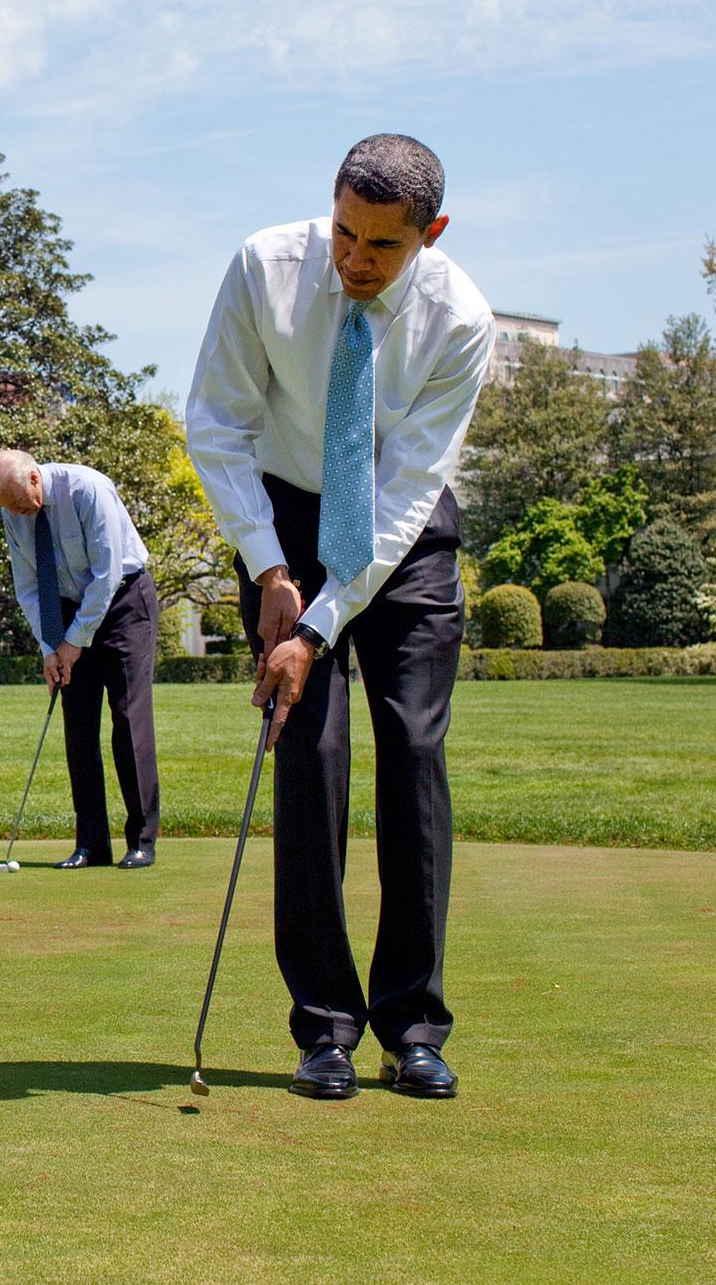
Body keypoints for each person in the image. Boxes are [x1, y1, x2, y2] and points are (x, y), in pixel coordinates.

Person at [185, 134, 493, 1101]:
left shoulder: (461, 320)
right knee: (307, 755)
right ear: (331, 204)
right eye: (346, 235)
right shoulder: (264, 266)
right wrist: (269, 564)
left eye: (382, 248)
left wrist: (319, 625)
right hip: (280, 512)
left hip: (402, 538)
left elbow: (402, 499)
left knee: (411, 753)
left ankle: (414, 1027)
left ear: (429, 235)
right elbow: (217, 425)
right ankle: (324, 1027)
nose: (355, 260)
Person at [0, 449, 161, 870]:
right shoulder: (14, 509)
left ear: (34, 479)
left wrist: (73, 642)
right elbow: (28, 586)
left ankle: (143, 840)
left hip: (122, 605)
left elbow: (107, 573)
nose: (16, 512)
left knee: (128, 719)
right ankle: (92, 844)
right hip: (64, 609)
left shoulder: (88, 489)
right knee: (78, 727)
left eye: (18, 501)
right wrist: (49, 647)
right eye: (7, 507)